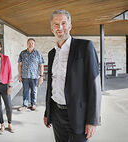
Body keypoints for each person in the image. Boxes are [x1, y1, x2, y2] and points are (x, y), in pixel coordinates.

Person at [43, 9, 102, 142]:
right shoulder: (52, 53)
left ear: (70, 26)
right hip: (56, 114)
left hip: (78, 115)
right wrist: (48, 112)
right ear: (51, 28)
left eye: (64, 23)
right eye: (56, 24)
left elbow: (94, 85)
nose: (60, 27)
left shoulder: (85, 47)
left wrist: (93, 120)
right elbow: (51, 84)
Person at [18, 38, 44, 111]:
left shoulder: (38, 53)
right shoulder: (22, 53)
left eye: (32, 43)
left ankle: (33, 104)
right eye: (29, 43)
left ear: (34, 44)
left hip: (34, 76)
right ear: (27, 44)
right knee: (25, 91)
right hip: (25, 76)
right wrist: (19, 75)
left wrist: (41, 76)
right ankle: (25, 105)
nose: (30, 44)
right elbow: (20, 65)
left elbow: (41, 65)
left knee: (34, 91)